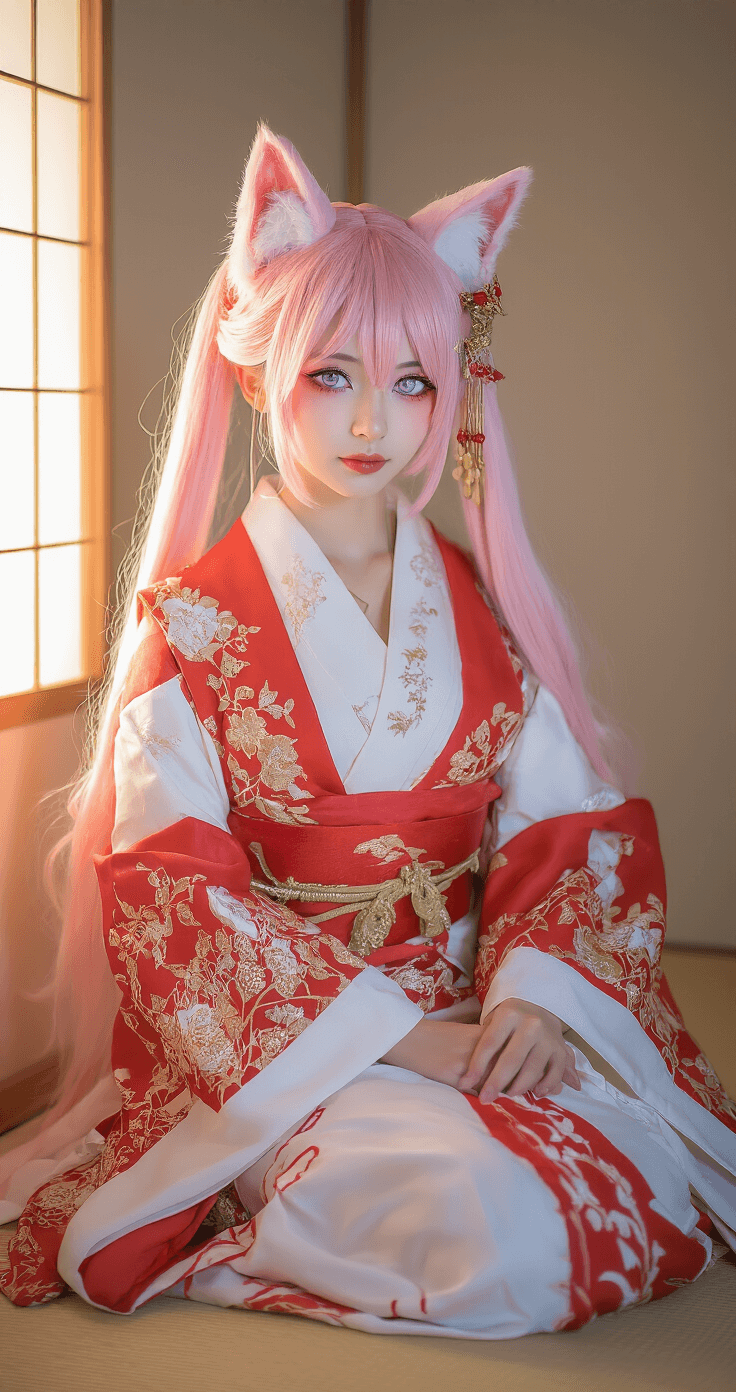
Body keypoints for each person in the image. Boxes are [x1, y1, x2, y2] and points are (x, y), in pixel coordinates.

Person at [1, 126, 734, 1337]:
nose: (372, 423)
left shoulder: (483, 613)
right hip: (308, 1044)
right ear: (255, 374)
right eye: (330, 374)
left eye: (412, 383)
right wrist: (395, 1041)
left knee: (638, 1171)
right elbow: (171, 896)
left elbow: (567, 822)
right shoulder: (196, 628)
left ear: (450, 394)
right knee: (486, 1221)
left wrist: (534, 1002)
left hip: (484, 1012)